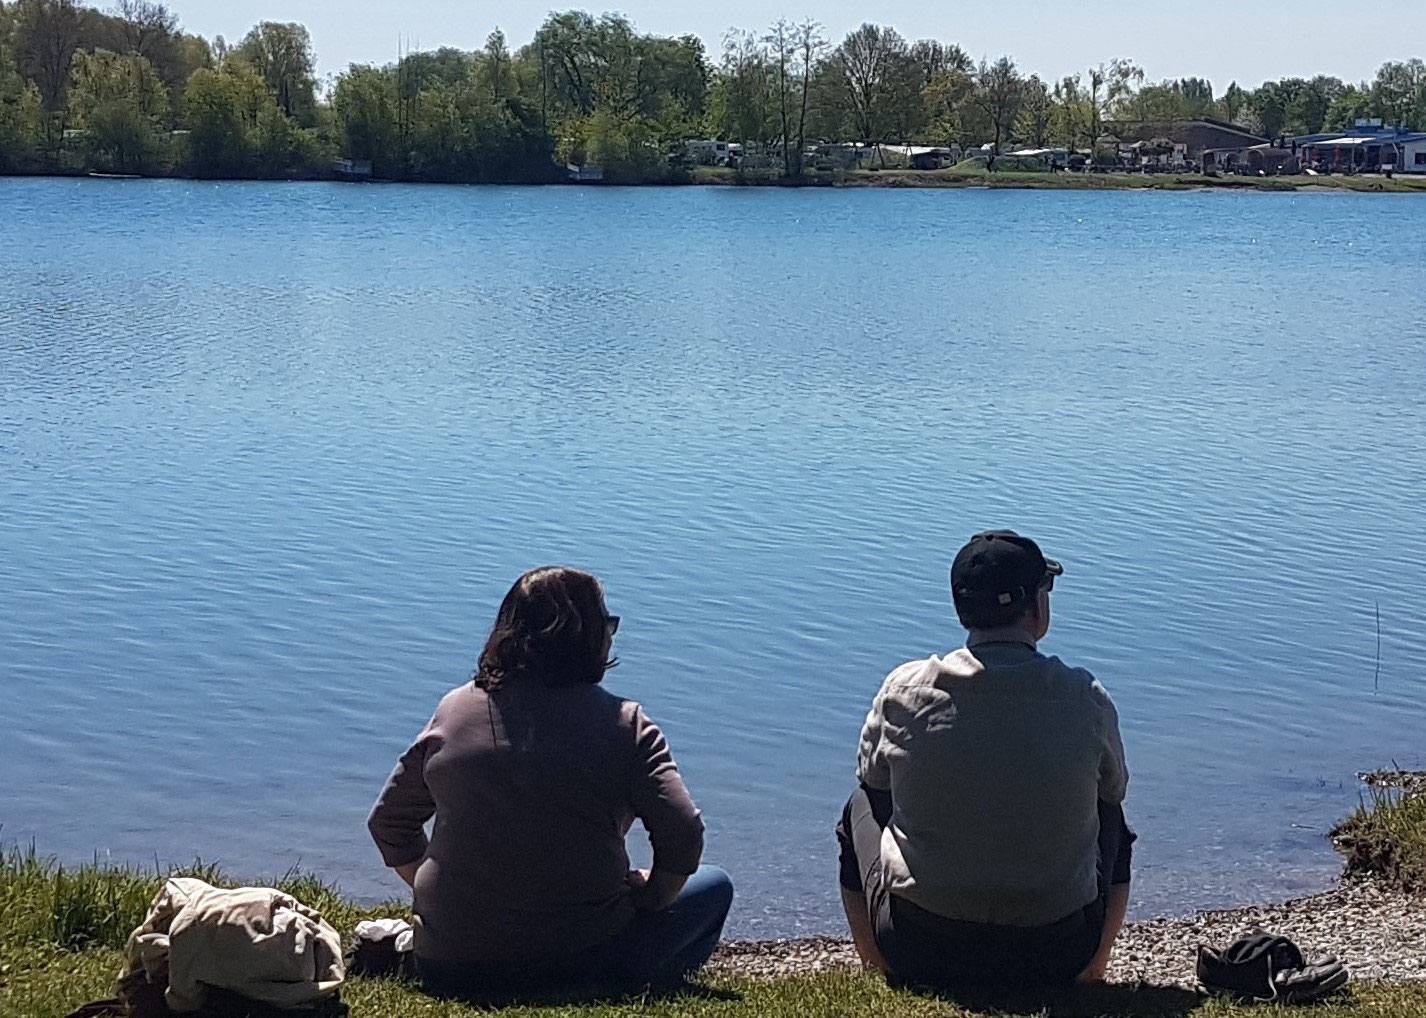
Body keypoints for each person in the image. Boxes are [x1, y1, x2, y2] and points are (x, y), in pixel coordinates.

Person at [367, 566, 732, 997]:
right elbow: (684, 832)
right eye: (607, 623)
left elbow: (389, 822)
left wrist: (451, 900)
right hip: (580, 960)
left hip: (448, 966)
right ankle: (645, 982)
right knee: (715, 886)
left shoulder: (454, 710)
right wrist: (653, 896)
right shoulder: (627, 725)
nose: (611, 634)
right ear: (588, 637)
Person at [836, 530, 1133, 990]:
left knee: (858, 806)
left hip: (921, 945)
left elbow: (874, 784)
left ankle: (880, 966)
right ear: (1036, 606)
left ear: (961, 609)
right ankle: (1091, 971)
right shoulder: (1082, 696)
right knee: (1110, 811)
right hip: (1055, 949)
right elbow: (1114, 793)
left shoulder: (905, 689)